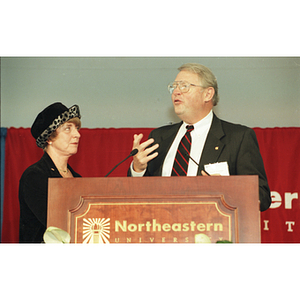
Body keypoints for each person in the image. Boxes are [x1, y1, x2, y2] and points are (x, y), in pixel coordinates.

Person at [128, 63, 271, 212]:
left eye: (184, 86)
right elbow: (137, 197)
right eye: (174, 87)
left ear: (208, 94)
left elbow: (262, 197)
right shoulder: (159, 137)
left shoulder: (238, 138)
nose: (176, 92)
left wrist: (228, 190)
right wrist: (138, 169)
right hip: (161, 228)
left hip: (212, 230)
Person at [19, 102, 81, 242]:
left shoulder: (78, 178)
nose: (77, 134)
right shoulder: (35, 176)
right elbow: (57, 225)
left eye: (76, 128)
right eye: (68, 129)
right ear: (49, 138)